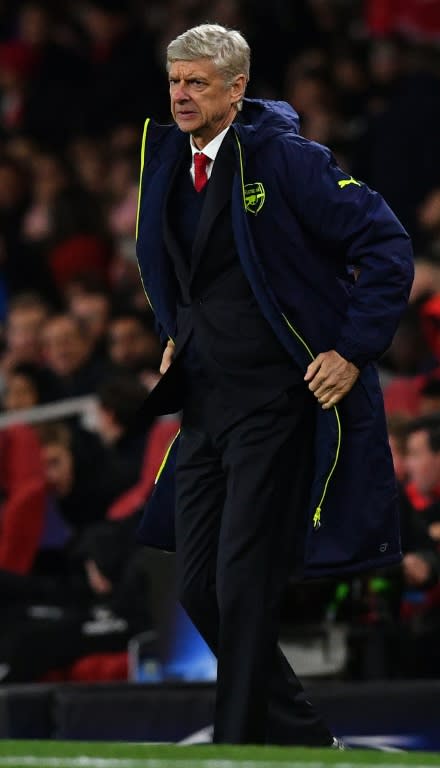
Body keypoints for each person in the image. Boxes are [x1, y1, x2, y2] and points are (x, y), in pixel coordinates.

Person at [135, 23, 414, 746]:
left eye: (198, 82)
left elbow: (385, 243)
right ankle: (305, 739)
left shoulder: (289, 161)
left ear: (236, 89)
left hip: (277, 399)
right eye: (175, 81)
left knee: (242, 583)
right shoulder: (167, 159)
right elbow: (183, 273)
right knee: (197, 584)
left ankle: (233, 749)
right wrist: (176, 333)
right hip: (205, 397)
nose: (182, 95)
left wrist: (351, 350)